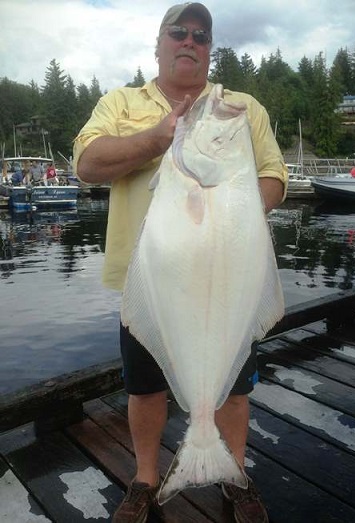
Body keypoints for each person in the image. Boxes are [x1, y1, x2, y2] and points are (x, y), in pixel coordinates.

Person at [73, 3, 288, 522]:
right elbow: (86, 164)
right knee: (144, 389)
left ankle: (230, 471)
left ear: (210, 48)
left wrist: (233, 205)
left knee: (233, 389)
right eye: (179, 32)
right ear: (160, 43)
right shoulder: (122, 102)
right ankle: (145, 480)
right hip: (151, 284)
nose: (190, 40)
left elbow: (275, 178)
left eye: (202, 35)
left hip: (226, 279)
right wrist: (158, 138)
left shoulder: (241, 107)